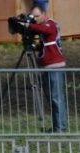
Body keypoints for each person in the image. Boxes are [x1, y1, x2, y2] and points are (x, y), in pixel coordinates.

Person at [24, 4, 68, 133]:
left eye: (37, 16)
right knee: (51, 97)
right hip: (47, 66)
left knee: (56, 97)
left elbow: (46, 30)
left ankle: (61, 127)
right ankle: (57, 126)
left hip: (55, 67)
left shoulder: (51, 24)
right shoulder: (42, 27)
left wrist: (28, 25)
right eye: (33, 16)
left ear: (44, 14)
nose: (35, 19)